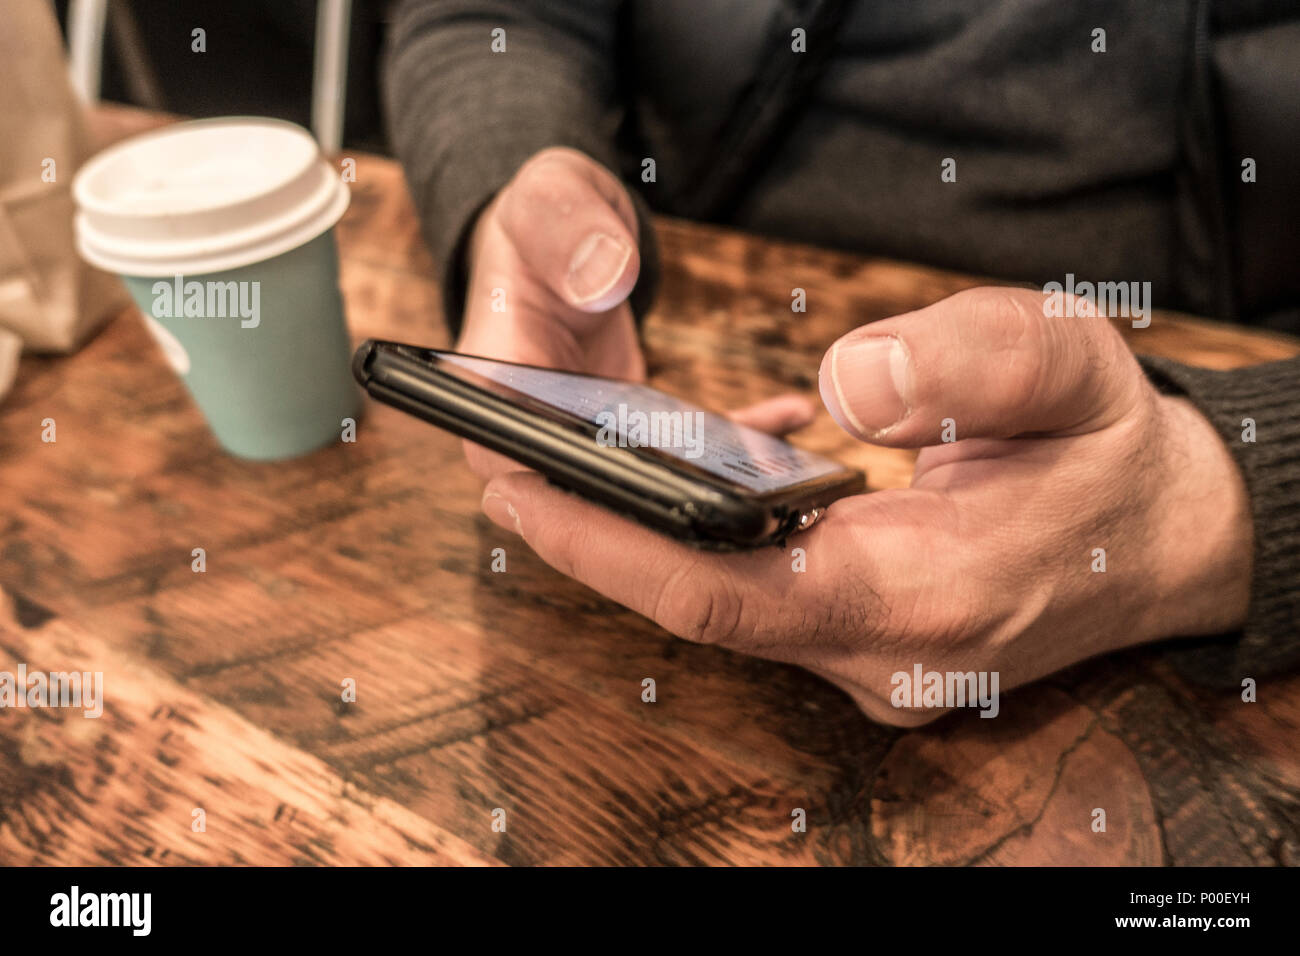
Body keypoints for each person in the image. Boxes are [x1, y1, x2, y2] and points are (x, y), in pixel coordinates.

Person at [382, 0, 1299, 723]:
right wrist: (512, 192)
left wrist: (1220, 494)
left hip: (1189, 360)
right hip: (701, 325)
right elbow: (493, 18)